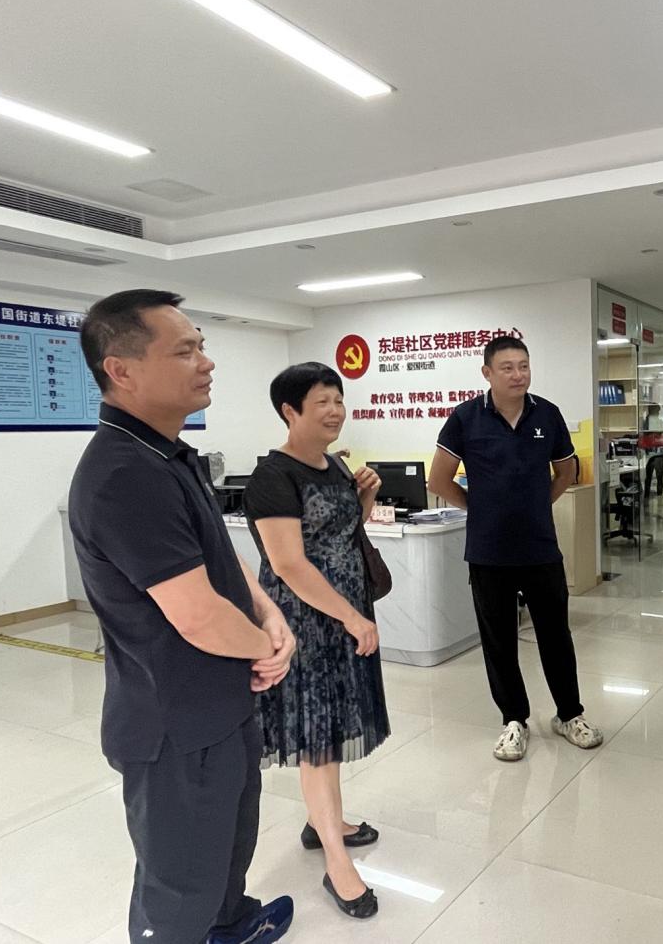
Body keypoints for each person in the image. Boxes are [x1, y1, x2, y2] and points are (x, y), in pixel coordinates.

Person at [68, 289, 295, 944]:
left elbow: (218, 556)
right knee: (180, 880)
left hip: (219, 704)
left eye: (202, 346)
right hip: (174, 724)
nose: (207, 362)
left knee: (226, 843)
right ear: (122, 370)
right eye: (185, 351)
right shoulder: (124, 474)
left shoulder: (168, 453)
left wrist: (268, 614)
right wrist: (267, 649)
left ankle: (230, 923)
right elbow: (196, 616)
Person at [243, 362, 392, 920]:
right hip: (305, 624)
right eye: (322, 402)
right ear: (290, 411)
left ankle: (322, 822)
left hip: (344, 614)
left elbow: (342, 536)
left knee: (329, 729)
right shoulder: (273, 476)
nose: (335, 411)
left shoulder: (335, 465)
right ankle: (336, 860)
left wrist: (365, 499)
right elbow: (288, 564)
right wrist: (352, 618)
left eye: (338, 400)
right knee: (318, 738)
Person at [428, 335, 603, 761]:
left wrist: (540, 505)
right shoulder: (465, 418)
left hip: (540, 548)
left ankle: (569, 714)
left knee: (556, 636)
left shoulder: (548, 414)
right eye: (507, 367)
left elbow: (566, 471)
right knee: (499, 640)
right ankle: (514, 720)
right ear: (487, 373)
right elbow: (438, 480)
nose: (518, 374)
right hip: (488, 552)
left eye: (524, 366)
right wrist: (479, 508)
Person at [642, 403, 663, 498]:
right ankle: (647, 497)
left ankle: (658, 498)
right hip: (651, 453)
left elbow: (660, 433)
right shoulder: (646, 423)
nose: (658, 413)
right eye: (657, 411)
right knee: (649, 478)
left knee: (657, 477)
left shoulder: (658, 421)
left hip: (657, 452)